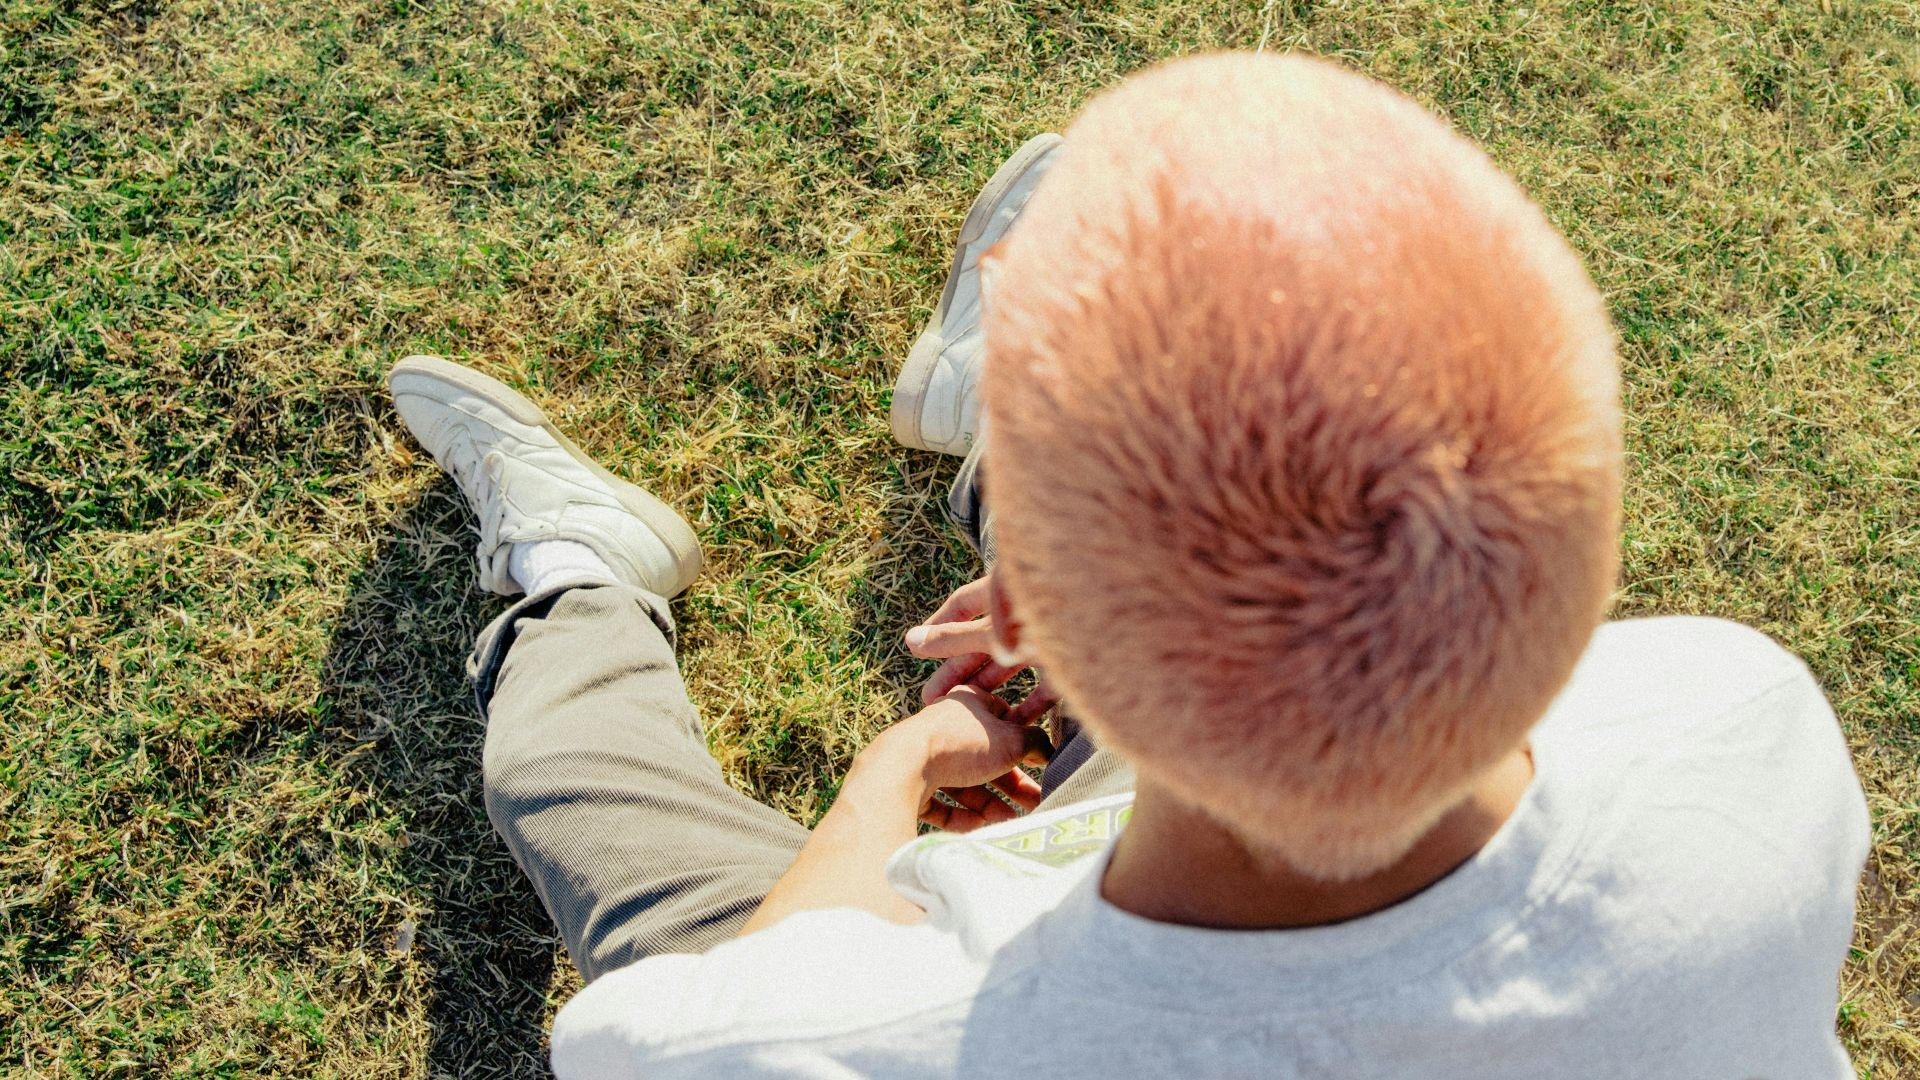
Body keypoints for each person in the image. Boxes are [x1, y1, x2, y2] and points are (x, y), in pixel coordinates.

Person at [386, 52, 1870, 1080]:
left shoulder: (797, 1042)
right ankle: (1031, 445)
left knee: (573, 787)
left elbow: (742, 1013)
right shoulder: (1737, 718)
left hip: (981, 967)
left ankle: (577, 572)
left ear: (1020, 621)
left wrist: (885, 783)